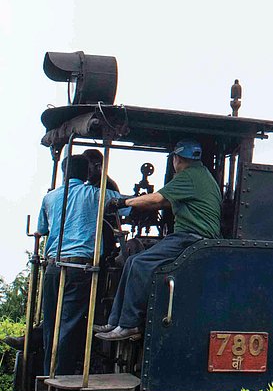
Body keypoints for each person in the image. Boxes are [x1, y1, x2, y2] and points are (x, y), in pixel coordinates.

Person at [95, 140, 222, 342]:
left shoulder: (189, 176)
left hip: (190, 237)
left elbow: (156, 199)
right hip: (192, 237)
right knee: (131, 262)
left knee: (139, 263)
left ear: (176, 158)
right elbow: (163, 202)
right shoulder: (202, 176)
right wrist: (135, 202)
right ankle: (116, 320)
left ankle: (129, 325)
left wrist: (122, 202)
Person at [35, 155, 122, 374]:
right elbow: (127, 205)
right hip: (81, 268)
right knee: (69, 325)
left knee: (51, 324)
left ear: (64, 172)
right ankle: (60, 380)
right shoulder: (97, 194)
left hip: (54, 266)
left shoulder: (50, 198)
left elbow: (42, 229)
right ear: (88, 174)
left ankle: (47, 375)